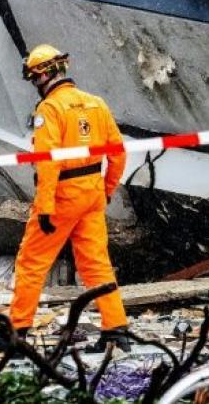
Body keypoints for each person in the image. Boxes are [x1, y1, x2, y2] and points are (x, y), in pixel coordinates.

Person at [10, 44, 129, 352]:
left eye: (34, 79)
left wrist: (46, 208)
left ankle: (17, 330)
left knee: (32, 261)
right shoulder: (96, 104)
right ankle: (116, 330)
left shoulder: (49, 110)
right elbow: (117, 153)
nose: (35, 86)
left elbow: (48, 162)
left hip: (62, 196)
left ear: (43, 75)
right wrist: (107, 189)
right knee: (96, 263)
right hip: (92, 193)